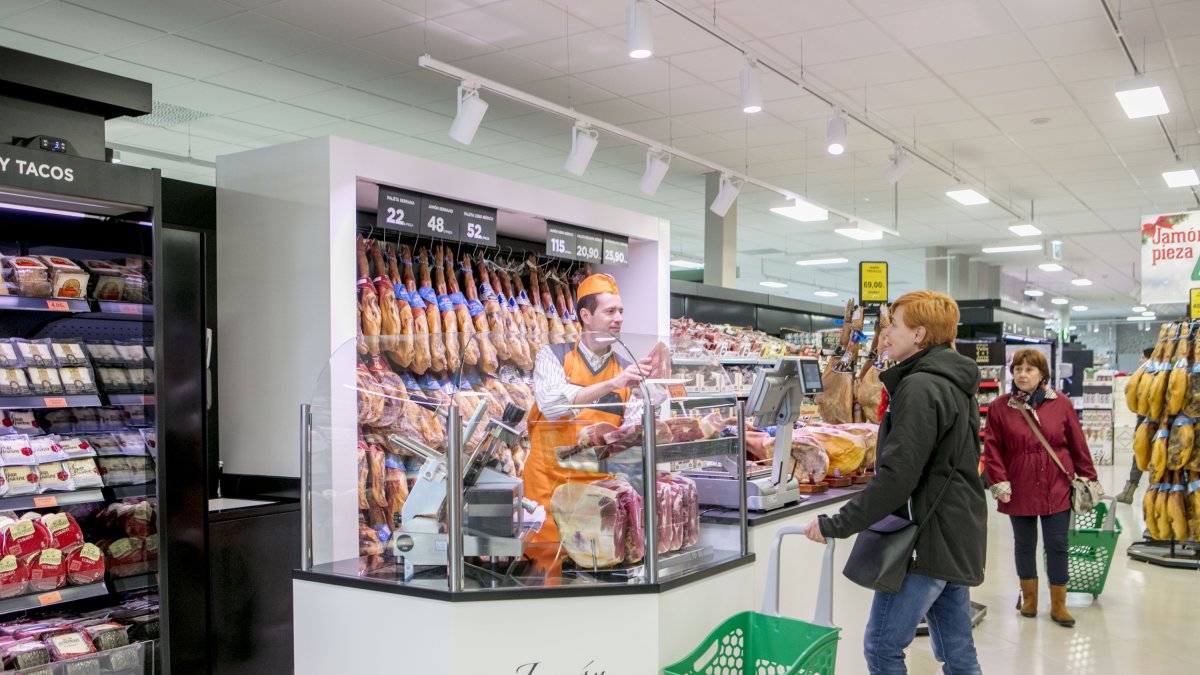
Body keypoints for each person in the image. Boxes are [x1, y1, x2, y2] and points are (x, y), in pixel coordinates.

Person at [804, 291, 987, 675]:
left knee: (882, 645)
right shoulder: (953, 381)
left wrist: (836, 523)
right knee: (957, 651)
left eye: (895, 326)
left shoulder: (921, 387)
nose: (886, 334)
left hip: (927, 538)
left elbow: (898, 478)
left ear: (919, 334)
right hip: (954, 530)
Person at [523, 273, 655, 566]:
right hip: (547, 491)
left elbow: (630, 436)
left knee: (594, 579)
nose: (619, 318)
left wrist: (651, 397)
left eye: (621, 311)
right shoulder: (553, 356)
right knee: (546, 576)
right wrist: (611, 384)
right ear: (585, 315)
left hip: (597, 497)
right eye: (610, 311)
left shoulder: (625, 369)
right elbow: (553, 404)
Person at [982, 348, 1099, 628]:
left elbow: (1077, 442)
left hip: (1056, 484)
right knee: (1024, 544)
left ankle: (1059, 605)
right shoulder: (1000, 407)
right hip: (1018, 484)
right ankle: (1031, 600)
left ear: (1042, 374)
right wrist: (999, 483)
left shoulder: (1061, 404)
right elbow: (993, 448)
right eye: (1018, 369)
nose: (1022, 374)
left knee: (1057, 544)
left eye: (1029, 369)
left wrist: (1089, 477)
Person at [1116, 346, 1155, 503]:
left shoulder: (1145, 376)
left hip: (1148, 423)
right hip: (1163, 424)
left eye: (1142, 357)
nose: (1140, 360)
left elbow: (1140, 406)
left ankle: (1129, 492)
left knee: (1140, 456)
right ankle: (1130, 492)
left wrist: (1138, 427)